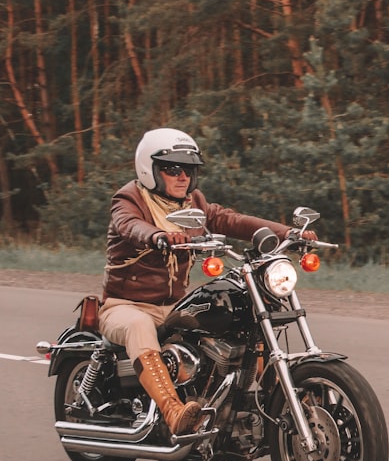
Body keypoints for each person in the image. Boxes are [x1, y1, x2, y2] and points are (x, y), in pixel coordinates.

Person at [98, 128, 315, 437]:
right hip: (126, 305)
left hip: (173, 305)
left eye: (188, 169)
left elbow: (230, 220)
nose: (182, 176)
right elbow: (129, 225)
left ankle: (262, 401)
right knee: (138, 327)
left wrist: (287, 233)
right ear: (150, 169)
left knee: (241, 314)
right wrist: (158, 236)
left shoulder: (193, 201)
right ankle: (173, 411)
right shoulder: (129, 198)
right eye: (172, 168)